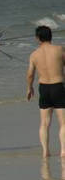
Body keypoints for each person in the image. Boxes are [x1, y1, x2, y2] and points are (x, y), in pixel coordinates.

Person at [26, 25, 65, 157]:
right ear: (51, 36)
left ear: (38, 38)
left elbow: (30, 74)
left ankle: (45, 151)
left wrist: (29, 88)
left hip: (44, 88)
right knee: (63, 122)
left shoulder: (34, 55)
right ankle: (63, 151)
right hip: (58, 87)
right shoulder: (59, 49)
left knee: (44, 123)